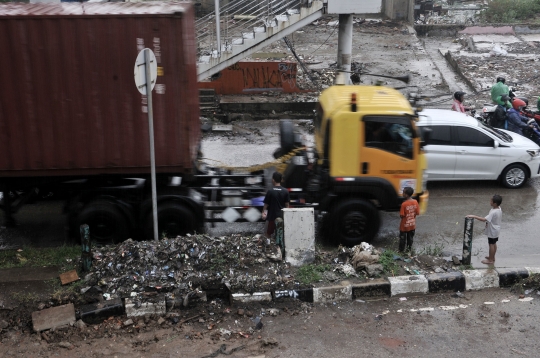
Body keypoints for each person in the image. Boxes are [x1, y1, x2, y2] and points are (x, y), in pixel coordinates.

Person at [467, 194, 502, 265]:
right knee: (494, 243)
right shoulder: (499, 209)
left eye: (491, 201)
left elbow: (484, 219)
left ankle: (490, 260)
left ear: (494, 203)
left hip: (493, 230)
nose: (490, 202)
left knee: (491, 244)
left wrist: (473, 216)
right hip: (496, 229)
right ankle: (492, 257)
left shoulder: (493, 212)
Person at [262, 172, 290, 239]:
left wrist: (263, 213)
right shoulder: (286, 191)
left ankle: (268, 247)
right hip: (281, 218)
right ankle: (279, 248)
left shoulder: (270, 191)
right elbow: (287, 205)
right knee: (280, 234)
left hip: (271, 217)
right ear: (281, 180)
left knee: (267, 233)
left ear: (273, 180)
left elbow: (266, 205)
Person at [399, 186, 420, 253]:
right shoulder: (415, 202)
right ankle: (408, 251)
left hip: (404, 226)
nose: (402, 194)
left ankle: (401, 251)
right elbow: (417, 212)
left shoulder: (404, 204)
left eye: (403, 192)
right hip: (412, 225)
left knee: (402, 239)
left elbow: (402, 215)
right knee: (410, 239)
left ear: (406, 194)